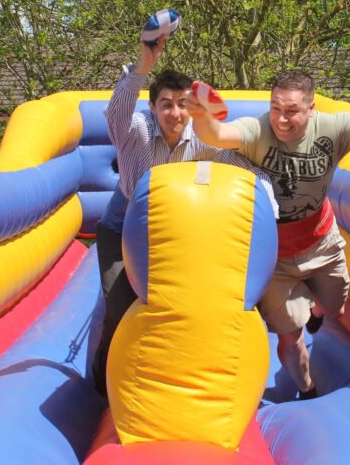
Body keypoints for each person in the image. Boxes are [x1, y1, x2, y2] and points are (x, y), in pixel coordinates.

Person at [186, 69, 350, 399]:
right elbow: (216, 134)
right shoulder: (258, 129)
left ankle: (319, 312)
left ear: (311, 108)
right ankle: (308, 389)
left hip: (320, 241)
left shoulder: (334, 128)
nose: (281, 119)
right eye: (276, 108)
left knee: (336, 306)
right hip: (274, 254)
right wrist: (200, 114)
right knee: (290, 337)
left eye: (291, 110)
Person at [91, 32, 276, 396]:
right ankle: (103, 386)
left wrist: (268, 207)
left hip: (170, 227)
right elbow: (116, 111)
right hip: (122, 224)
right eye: (165, 105)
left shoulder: (202, 137)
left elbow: (246, 171)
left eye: (181, 104)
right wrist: (144, 65)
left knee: (176, 301)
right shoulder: (134, 132)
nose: (174, 114)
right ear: (153, 108)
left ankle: (170, 374)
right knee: (120, 302)